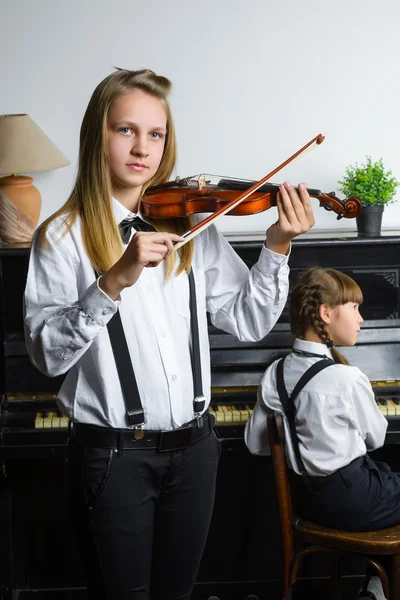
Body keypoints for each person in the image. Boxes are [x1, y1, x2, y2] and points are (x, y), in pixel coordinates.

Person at [23, 67, 315, 600]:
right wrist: (111, 282)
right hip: (114, 459)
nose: (142, 148)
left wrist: (276, 245)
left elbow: (247, 321)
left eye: (155, 134)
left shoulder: (189, 226)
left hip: (197, 452)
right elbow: (45, 354)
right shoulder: (61, 237)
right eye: (125, 130)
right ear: (99, 136)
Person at [245, 266, 400, 600]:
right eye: (355, 308)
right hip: (353, 499)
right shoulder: (347, 377)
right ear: (326, 313)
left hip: (311, 502)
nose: (361, 318)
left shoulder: (275, 372)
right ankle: (376, 588)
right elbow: (377, 438)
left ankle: (375, 586)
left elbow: (256, 444)